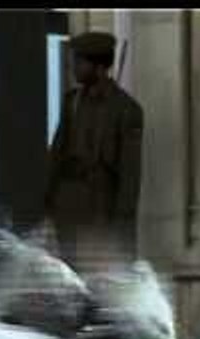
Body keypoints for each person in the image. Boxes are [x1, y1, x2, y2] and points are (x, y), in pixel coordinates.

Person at [45, 31, 144, 275]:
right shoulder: (72, 102)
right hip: (68, 208)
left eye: (80, 61)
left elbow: (130, 175)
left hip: (101, 210)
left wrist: (122, 230)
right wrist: (46, 205)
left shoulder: (126, 109)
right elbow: (56, 154)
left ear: (98, 66)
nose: (74, 67)